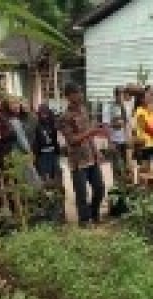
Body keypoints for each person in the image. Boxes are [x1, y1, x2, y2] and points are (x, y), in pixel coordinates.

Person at [59, 82, 109, 225]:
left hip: (91, 157)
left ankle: (94, 214)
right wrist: (90, 132)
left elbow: (90, 136)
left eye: (80, 92)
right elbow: (71, 140)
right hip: (77, 161)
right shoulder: (64, 118)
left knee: (99, 187)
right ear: (68, 96)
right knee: (81, 193)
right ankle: (84, 220)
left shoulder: (84, 111)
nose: (80, 95)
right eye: (77, 93)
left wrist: (96, 151)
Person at [103, 86, 130, 180]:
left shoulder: (125, 107)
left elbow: (127, 123)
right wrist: (109, 142)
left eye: (124, 94)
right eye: (121, 94)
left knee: (126, 165)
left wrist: (128, 138)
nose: (123, 97)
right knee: (116, 166)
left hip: (124, 140)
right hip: (114, 141)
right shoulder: (109, 107)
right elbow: (106, 125)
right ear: (116, 95)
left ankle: (125, 184)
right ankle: (117, 184)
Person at [133, 85, 153, 165]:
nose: (150, 98)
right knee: (144, 169)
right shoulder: (139, 111)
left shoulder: (152, 110)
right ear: (142, 99)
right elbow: (144, 126)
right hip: (144, 144)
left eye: (151, 96)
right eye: (148, 97)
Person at [33, 104, 61, 183]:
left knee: (55, 174)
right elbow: (36, 140)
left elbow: (56, 139)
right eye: (42, 112)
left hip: (53, 153)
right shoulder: (37, 124)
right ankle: (46, 192)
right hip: (42, 154)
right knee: (43, 175)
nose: (44, 115)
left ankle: (56, 191)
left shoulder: (53, 124)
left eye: (45, 112)